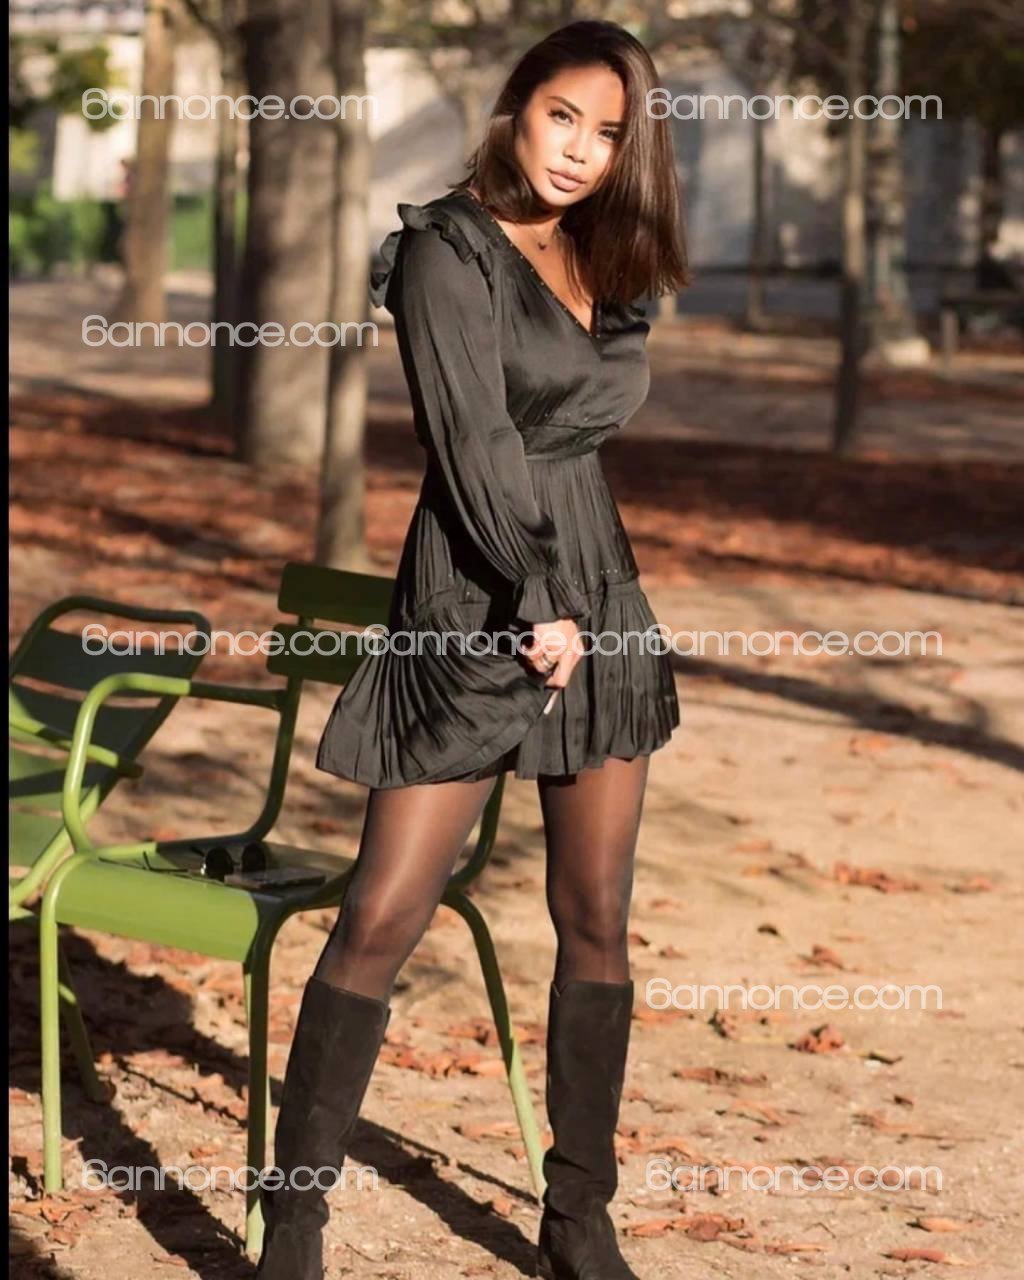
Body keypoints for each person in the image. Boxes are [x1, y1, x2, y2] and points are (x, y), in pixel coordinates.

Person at [256, 19, 689, 1280]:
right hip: (474, 595)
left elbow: (580, 429)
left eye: (608, 134)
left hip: (600, 597)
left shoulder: (609, 259)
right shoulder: (446, 249)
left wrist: (578, 603)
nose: (579, 150)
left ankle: (578, 1218)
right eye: (562, 116)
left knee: (594, 913)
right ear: (517, 106)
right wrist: (534, 595)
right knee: (381, 911)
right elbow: (473, 439)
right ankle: (294, 1220)